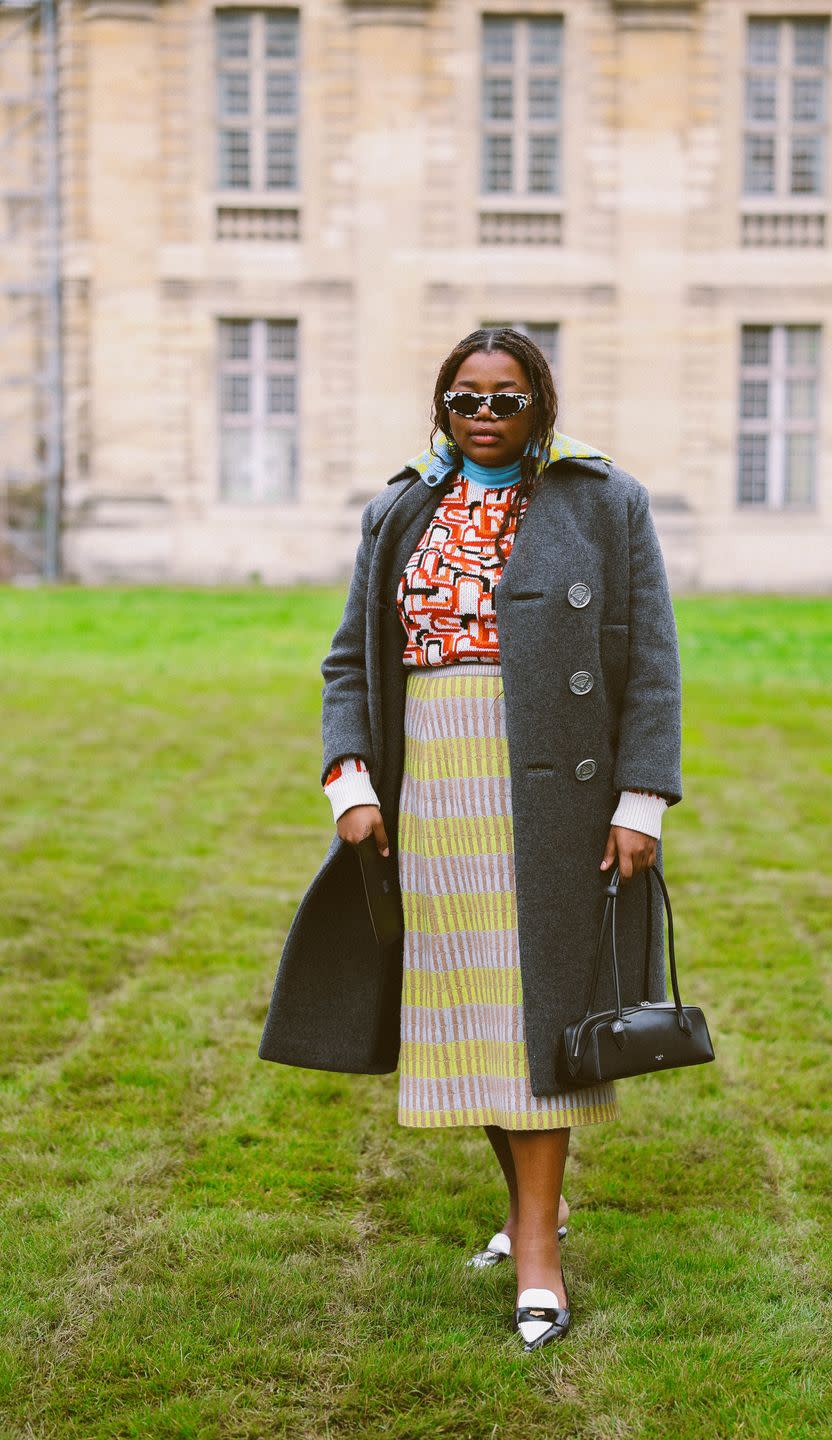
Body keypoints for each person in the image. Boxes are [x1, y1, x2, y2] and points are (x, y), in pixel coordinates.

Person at [259, 326, 683, 1353]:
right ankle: (537, 1212)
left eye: (506, 398)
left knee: (534, 1018)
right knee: (478, 1015)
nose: (486, 416)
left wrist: (641, 800)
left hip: (556, 795)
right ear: (441, 407)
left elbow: (654, 658)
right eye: (466, 399)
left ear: (540, 403)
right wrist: (351, 781)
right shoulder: (400, 508)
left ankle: (538, 1250)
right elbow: (348, 663)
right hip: (430, 785)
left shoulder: (602, 500)